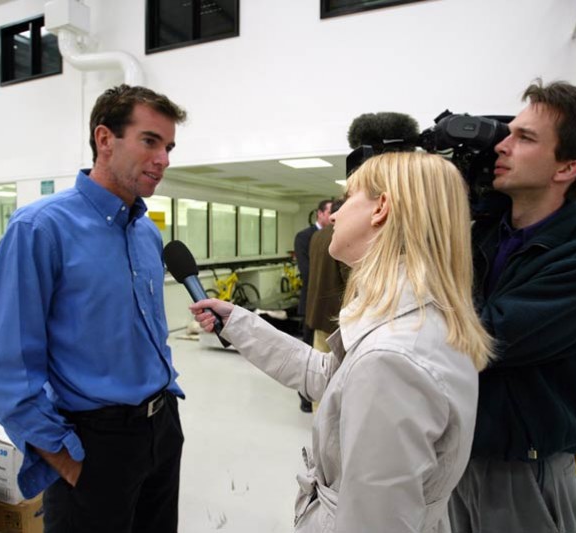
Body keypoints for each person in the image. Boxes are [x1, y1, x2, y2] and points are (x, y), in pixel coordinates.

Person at [191, 152, 493, 532]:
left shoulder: (391, 359)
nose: (333, 215)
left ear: (381, 208)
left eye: (349, 198)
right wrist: (239, 323)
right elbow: (326, 375)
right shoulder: (411, 320)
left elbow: (374, 523)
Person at [0, 84, 188, 533]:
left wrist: (166, 411)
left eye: (168, 147)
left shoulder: (146, 234)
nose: (163, 158)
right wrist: (61, 457)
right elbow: (3, 372)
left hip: (162, 429)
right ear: (104, 139)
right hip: (92, 445)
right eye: (150, 141)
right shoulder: (40, 228)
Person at [448, 81, 576, 533]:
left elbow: (481, 339)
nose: (501, 147)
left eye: (524, 138)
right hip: (458, 453)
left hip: (522, 469)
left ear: (567, 167)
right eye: (508, 133)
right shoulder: (480, 236)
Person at [293, 198, 333, 412]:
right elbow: (307, 271)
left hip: (326, 306)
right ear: (319, 214)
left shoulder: (335, 235)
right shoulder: (305, 237)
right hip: (311, 302)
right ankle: (305, 398)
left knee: (322, 357)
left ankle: (320, 395)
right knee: (308, 353)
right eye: (329, 212)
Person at [304, 198, 349, 352]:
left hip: (317, 312)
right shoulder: (342, 234)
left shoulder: (317, 236)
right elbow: (349, 278)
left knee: (321, 361)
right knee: (338, 366)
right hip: (336, 317)